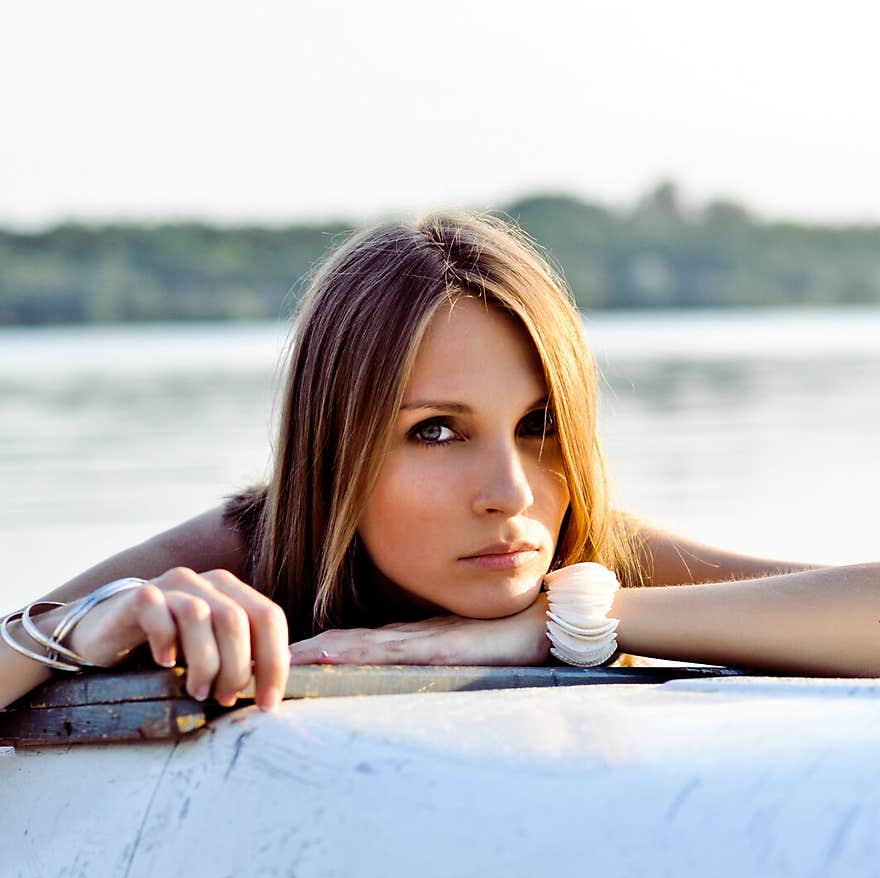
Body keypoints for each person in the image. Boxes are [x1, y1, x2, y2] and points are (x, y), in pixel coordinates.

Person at [1, 212, 878, 714]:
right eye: (435, 431)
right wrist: (79, 627)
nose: (509, 493)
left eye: (539, 424)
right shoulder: (246, 552)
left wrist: (566, 627)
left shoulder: (582, 550)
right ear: (334, 447)